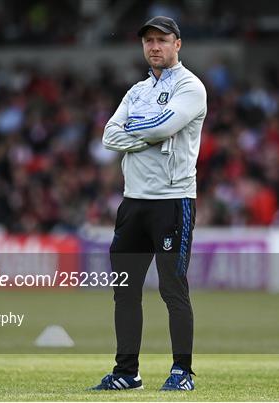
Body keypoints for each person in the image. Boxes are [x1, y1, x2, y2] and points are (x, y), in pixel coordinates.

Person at [92, 16, 207, 391]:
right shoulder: (137, 91)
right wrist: (148, 132)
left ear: (178, 44)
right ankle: (127, 372)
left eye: (162, 40)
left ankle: (182, 372)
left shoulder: (191, 87)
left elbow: (161, 128)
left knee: (173, 289)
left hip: (172, 200)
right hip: (133, 202)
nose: (154, 47)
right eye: (148, 41)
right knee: (124, 289)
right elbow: (109, 136)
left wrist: (138, 130)